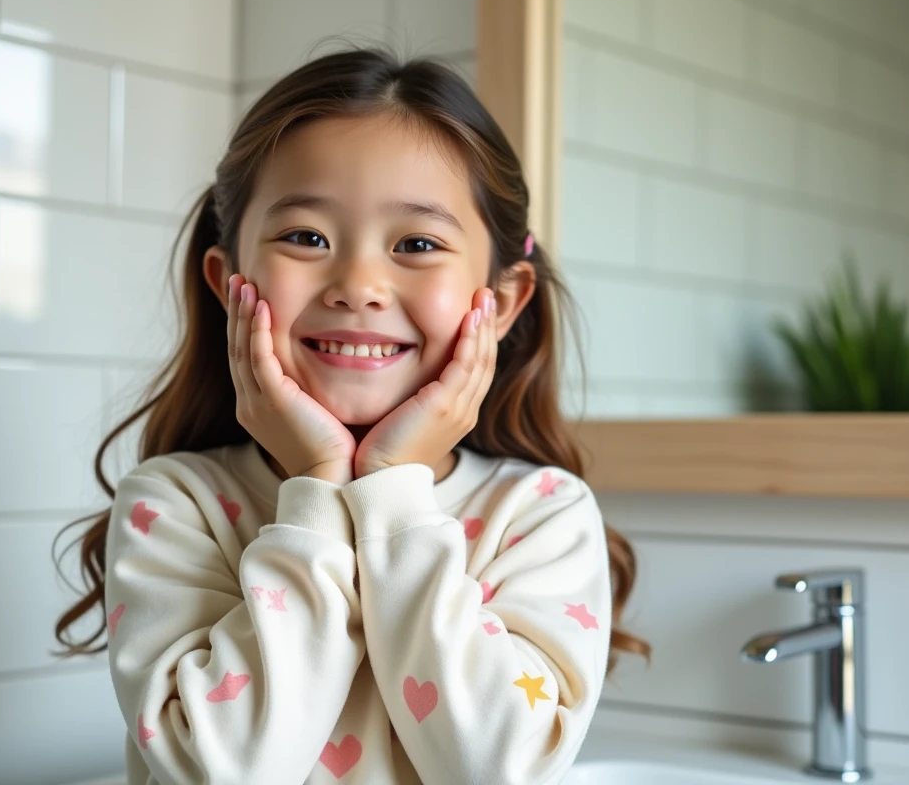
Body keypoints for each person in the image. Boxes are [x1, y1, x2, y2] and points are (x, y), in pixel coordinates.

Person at [55, 47, 649, 785]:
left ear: (501, 302)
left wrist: (392, 489)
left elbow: (497, 770)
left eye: (418, 244)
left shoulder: (539, 516)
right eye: (306, 237)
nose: (359, 284)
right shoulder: (176, 506)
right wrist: (317, 484)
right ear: (227, 280)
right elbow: (223, 771)